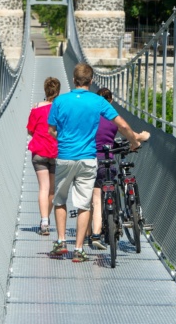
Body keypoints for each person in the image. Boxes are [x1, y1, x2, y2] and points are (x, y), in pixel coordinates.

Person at [48, 63, 150, 262]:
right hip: (88, 158)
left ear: (73, 79)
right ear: (91, 80)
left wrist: (65, 140)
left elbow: (51, 130)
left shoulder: (59, 101)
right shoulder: (98, 101)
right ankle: (78, 250)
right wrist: (134, 141)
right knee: (84, 204)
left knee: (60, 199)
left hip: (65, 156)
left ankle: (61, 242)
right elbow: (121, 125)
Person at [26, 76, 61, 236]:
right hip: (55, 152)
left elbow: (30, 130)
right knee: (52, 189)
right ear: (58, 91)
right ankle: (47, 218)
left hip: (39, 151)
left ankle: (44, 221)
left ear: (45, 91)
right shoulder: (61, 109)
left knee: (43, 188)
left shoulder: (36, 108)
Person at [85, 87, 118, 250]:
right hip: (109, 162)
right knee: (106, 192)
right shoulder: (114, 120)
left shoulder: (91, 118)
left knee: (94, 200)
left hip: (93, 161)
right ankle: (100, 232)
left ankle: (90, 235)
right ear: (110, 101)